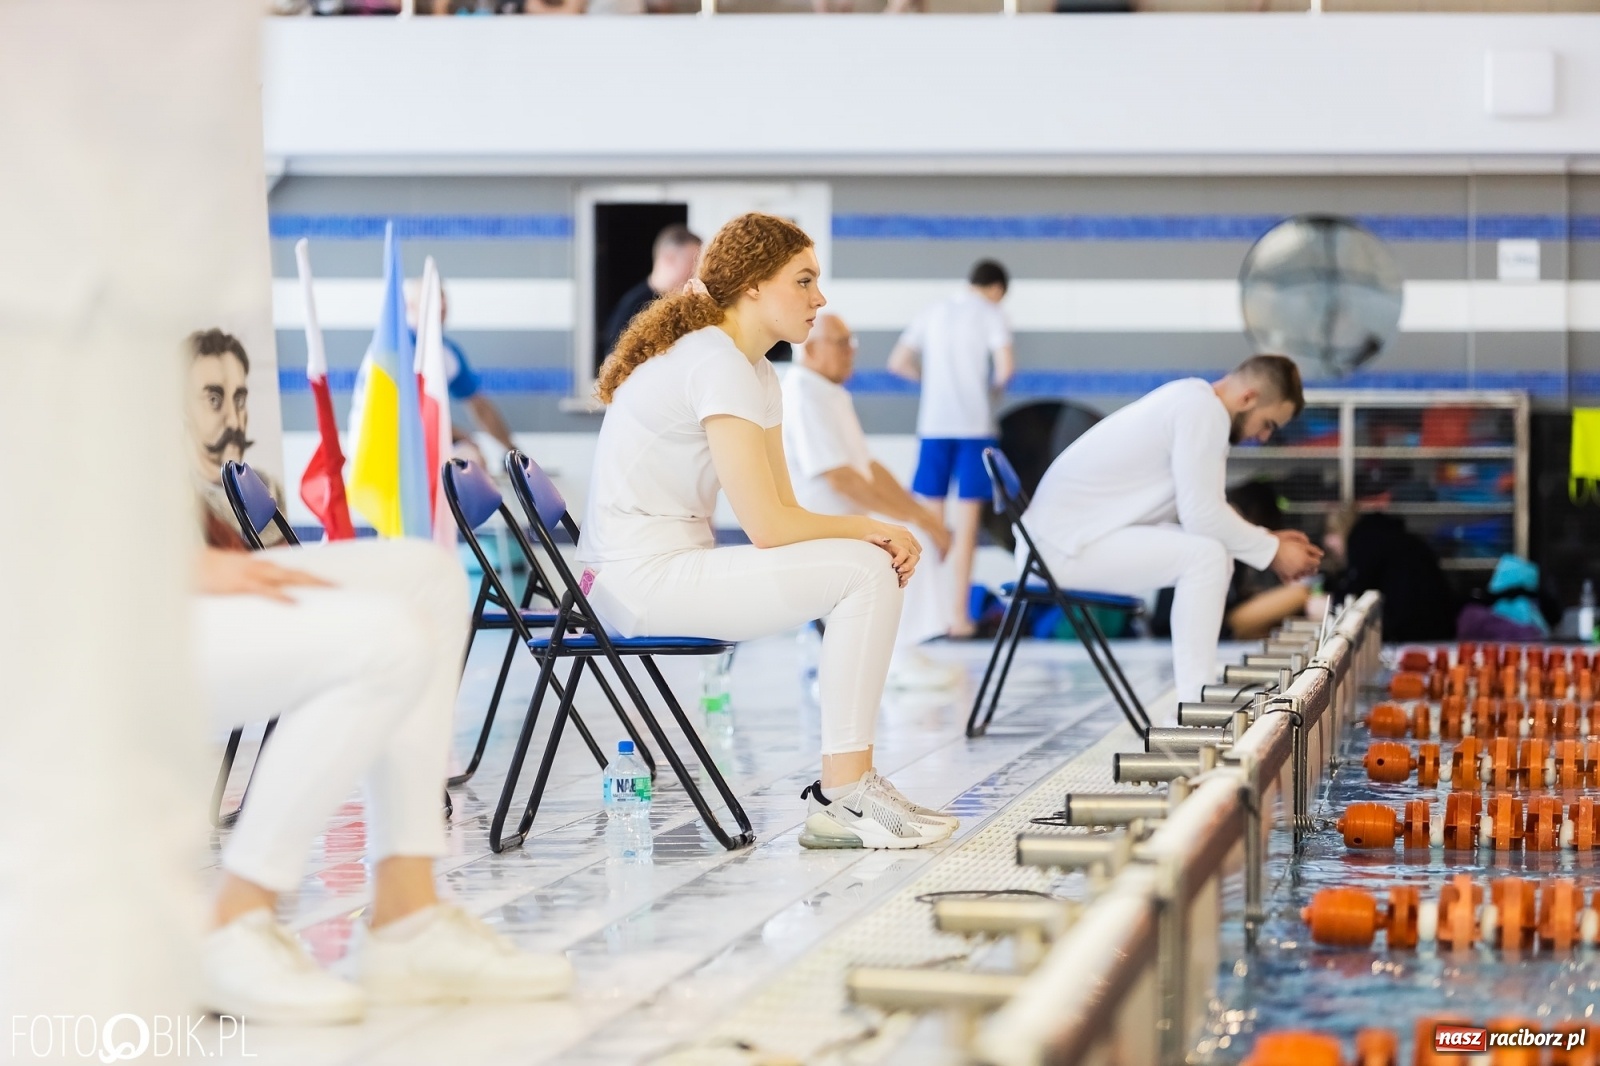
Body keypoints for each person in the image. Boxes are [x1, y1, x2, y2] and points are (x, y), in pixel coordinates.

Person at [578, 212, 955, 851]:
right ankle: (845, 792)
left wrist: (868, 532)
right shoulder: (714, 362)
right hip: (636, 582)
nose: (820, 298)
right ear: (753, 285)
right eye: (804, 281)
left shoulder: (754, 371)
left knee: (864, 560)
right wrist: (875, 528)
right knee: (865, 569)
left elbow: (783, 509)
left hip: (659, 570)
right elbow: (769, 526)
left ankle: (849, 785)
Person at [197, 542, 571, 1022]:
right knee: (387, 639)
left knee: (427, 577)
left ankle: (407, 922)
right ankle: (230, 922)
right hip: (97, 592)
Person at [1020, 356, 1324, 703]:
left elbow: (1203, 509)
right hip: (1056, 550)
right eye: (1268, 423)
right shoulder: (1202, 412)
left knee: (1210, 552)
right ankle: (1196, 701)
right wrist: (1272, 552)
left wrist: (1268, 540)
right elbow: (1201, 515)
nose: (1264, 436)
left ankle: (1198, 693)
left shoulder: (1194, 401)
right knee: (1206, 557)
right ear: (1248, 398)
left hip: (1060, 542)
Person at [782, 313, 961, 689]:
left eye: (852, 342)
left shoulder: (830, 391)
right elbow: (843, 479)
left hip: (848, 516)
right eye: (841, 343)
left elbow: (869, 468)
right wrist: (919, 523)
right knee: (908, 540)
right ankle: (896, 657)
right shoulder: (802, 392)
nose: (851, 352)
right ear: (811, 349)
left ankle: (903, 647)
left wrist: (925, 515)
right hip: (821, 526)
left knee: (917, 532)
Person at [887, 259, 1014, 639]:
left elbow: (898, 362)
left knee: (929, 524)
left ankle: (927, 617)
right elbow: (1006, 369)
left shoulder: (934, 311)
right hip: (974, 427)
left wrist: (932, 383)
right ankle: (958, 617)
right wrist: (989, 393)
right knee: (967, 525)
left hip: (934, 426)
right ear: (996, 289)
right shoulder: (991, 313)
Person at [185, 329, 287, 550]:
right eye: (214, 399)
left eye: (239, 400)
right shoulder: (175, 511)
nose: (233, 421)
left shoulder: (272, 493)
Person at [404, 280, 517, 460]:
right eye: (432, 297)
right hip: (392, 440)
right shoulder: (398, 350)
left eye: (442, 296)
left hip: (423, 440)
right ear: (410, 306)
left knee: (472, 458)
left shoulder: (447, 353)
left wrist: (512, 450)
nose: (441, 304)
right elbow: (407, 413)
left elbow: (480, 406)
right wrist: (459, 435)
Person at [1322, 504, 1457, 641]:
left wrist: (1331, 605)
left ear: (1344, 528)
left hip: (1416, 631)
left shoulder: (1364, 541)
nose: (1327, 541)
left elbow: (1354, 590)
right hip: (1438, 624)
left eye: (1332, 532)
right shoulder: (1389, 537)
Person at [600, 223, 702, 360]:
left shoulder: (686, 304)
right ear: (669, 258)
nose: (696, 271)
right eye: (692, 262)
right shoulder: (633, 306)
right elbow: (612, 363)